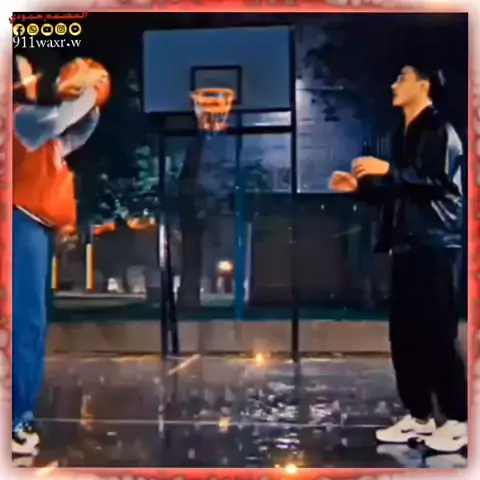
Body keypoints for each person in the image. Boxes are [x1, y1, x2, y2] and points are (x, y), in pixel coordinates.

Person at [330, 64, 467, 453]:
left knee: (437, 334)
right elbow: (399, 193)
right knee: (404, 336)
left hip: (435, 244)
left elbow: (438, 183)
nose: (393, 84)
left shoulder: (439, 129)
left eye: (402, 78)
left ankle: (459, 419)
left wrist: (388, 169)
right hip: (405, 245)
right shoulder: (399, 135)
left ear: (423, 85)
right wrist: (359, 189)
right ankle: (419, 416)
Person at [12, 56, 108, 456]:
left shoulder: (39, 134)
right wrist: (90, 89)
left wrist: (93, 103)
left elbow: (78, 131)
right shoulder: (19, 118)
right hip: (16, 223)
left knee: (30, 328)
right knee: (22, 327)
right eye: (23, 72)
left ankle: (19, 418)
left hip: (32, 228)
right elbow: (60, 120)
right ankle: (14, 422)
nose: (32, 78)